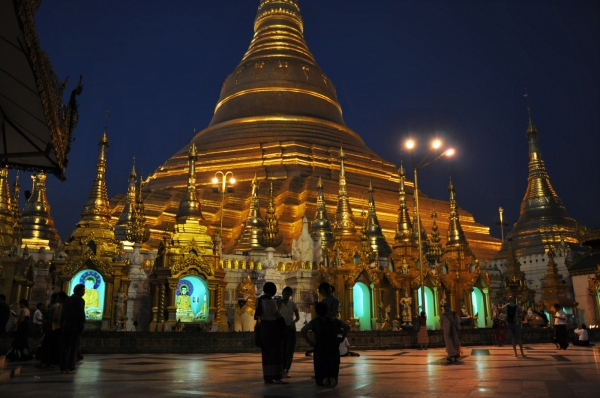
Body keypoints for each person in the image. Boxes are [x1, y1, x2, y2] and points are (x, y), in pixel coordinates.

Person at [301, 302, 350, 388]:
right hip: (333, 346)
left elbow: (303, 330)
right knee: (333, 365)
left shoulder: (315, 322)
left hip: (320, 346)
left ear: (316, 312)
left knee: (320, 366)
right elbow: (346, 327)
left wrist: (309, 341)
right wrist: (342, 338)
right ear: (327, 311)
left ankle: (323, 380)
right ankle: (333, 379)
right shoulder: (334, 320)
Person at [255, 282, 287, 385]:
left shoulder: (259, 300)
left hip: (263, 327)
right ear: (273, 291)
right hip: (272, 327)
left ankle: (267, 377)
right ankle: (277, 377)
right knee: (276, 352)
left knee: (266, 353)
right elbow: (277, 315)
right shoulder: (271, 302)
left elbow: (258, 315)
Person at [60, 284, 86, 374]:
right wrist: (81, 326)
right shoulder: (80, 300)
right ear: (78, 290)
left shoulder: (67, 300)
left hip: (66, 325)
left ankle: (63, 367)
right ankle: (70, 367)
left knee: (65, 347)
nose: (84, 292)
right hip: (75, 325)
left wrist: (62, 325)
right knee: (73, 347)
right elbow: (80, 314)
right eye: (83, 290)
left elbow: (62, 315)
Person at [277, 286, 299, 378]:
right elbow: (276, 313)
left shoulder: (292, 304)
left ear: (290, 295)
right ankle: (281, 369)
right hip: (281, 327)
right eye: (285, 293)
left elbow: (297, 317)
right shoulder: (278, 303)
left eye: (288, 294)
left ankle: (287, 369)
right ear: (282, 294)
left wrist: (294, 322)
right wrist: (279, 304)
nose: (286, 295)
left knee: (289, 349)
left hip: (290, 327)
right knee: (282, 349)